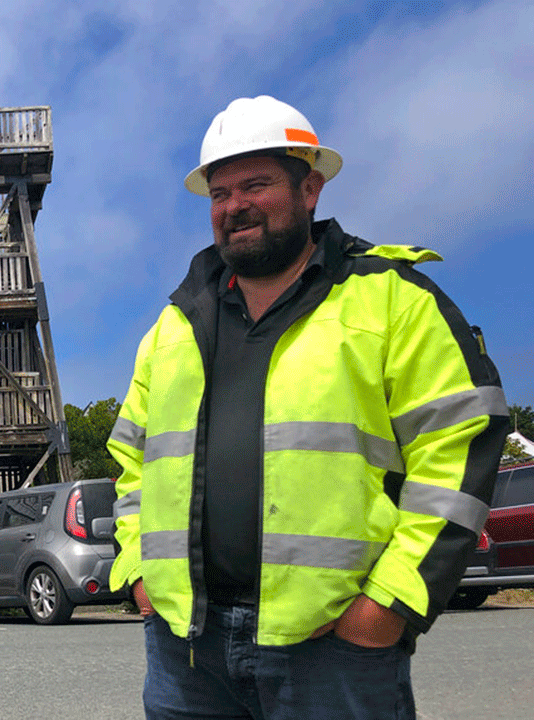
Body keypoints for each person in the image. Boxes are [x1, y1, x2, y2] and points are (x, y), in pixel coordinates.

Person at [107, 95, 509, 719]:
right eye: (220, 193)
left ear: (311, 188)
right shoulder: (173, 326)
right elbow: (132, 458)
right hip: (188, 650)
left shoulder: (391, 301)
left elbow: (460, 447)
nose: (235, 205)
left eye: (257, 184)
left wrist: (392, 603)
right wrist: (139, 571)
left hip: (334, 652)